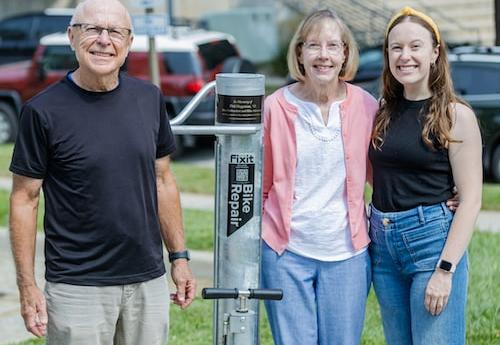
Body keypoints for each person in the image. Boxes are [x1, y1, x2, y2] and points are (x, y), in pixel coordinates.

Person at [9, 0, 195, 343]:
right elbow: (25, 199)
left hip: (146, 281)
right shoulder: (41, 112)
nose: (103, 40)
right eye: (92, 29)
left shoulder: (149, 99)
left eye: (115, 32)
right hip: (77, 286)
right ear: (71, 36)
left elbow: (163, 180)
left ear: (128, 42)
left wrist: (179, 257)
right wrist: (27, 284)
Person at [260, 9, 378, 345]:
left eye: (332, 46)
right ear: (299, 53)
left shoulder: (366, 106)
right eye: (313, 45)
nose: (323, 55)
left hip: (347, 255)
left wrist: (445, 191)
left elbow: (384, 175)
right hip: (286, 252)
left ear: (345, 54)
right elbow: (262, 184)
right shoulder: (275, 107)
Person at [368, 6, 482, 345]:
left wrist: (445, 270)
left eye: (415, 46)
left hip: (432, 246)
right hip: (383, 247)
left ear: (435, 52)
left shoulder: (455, 115)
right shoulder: (382, 111)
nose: (405, 56)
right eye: (396, 48)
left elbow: (472, 199)